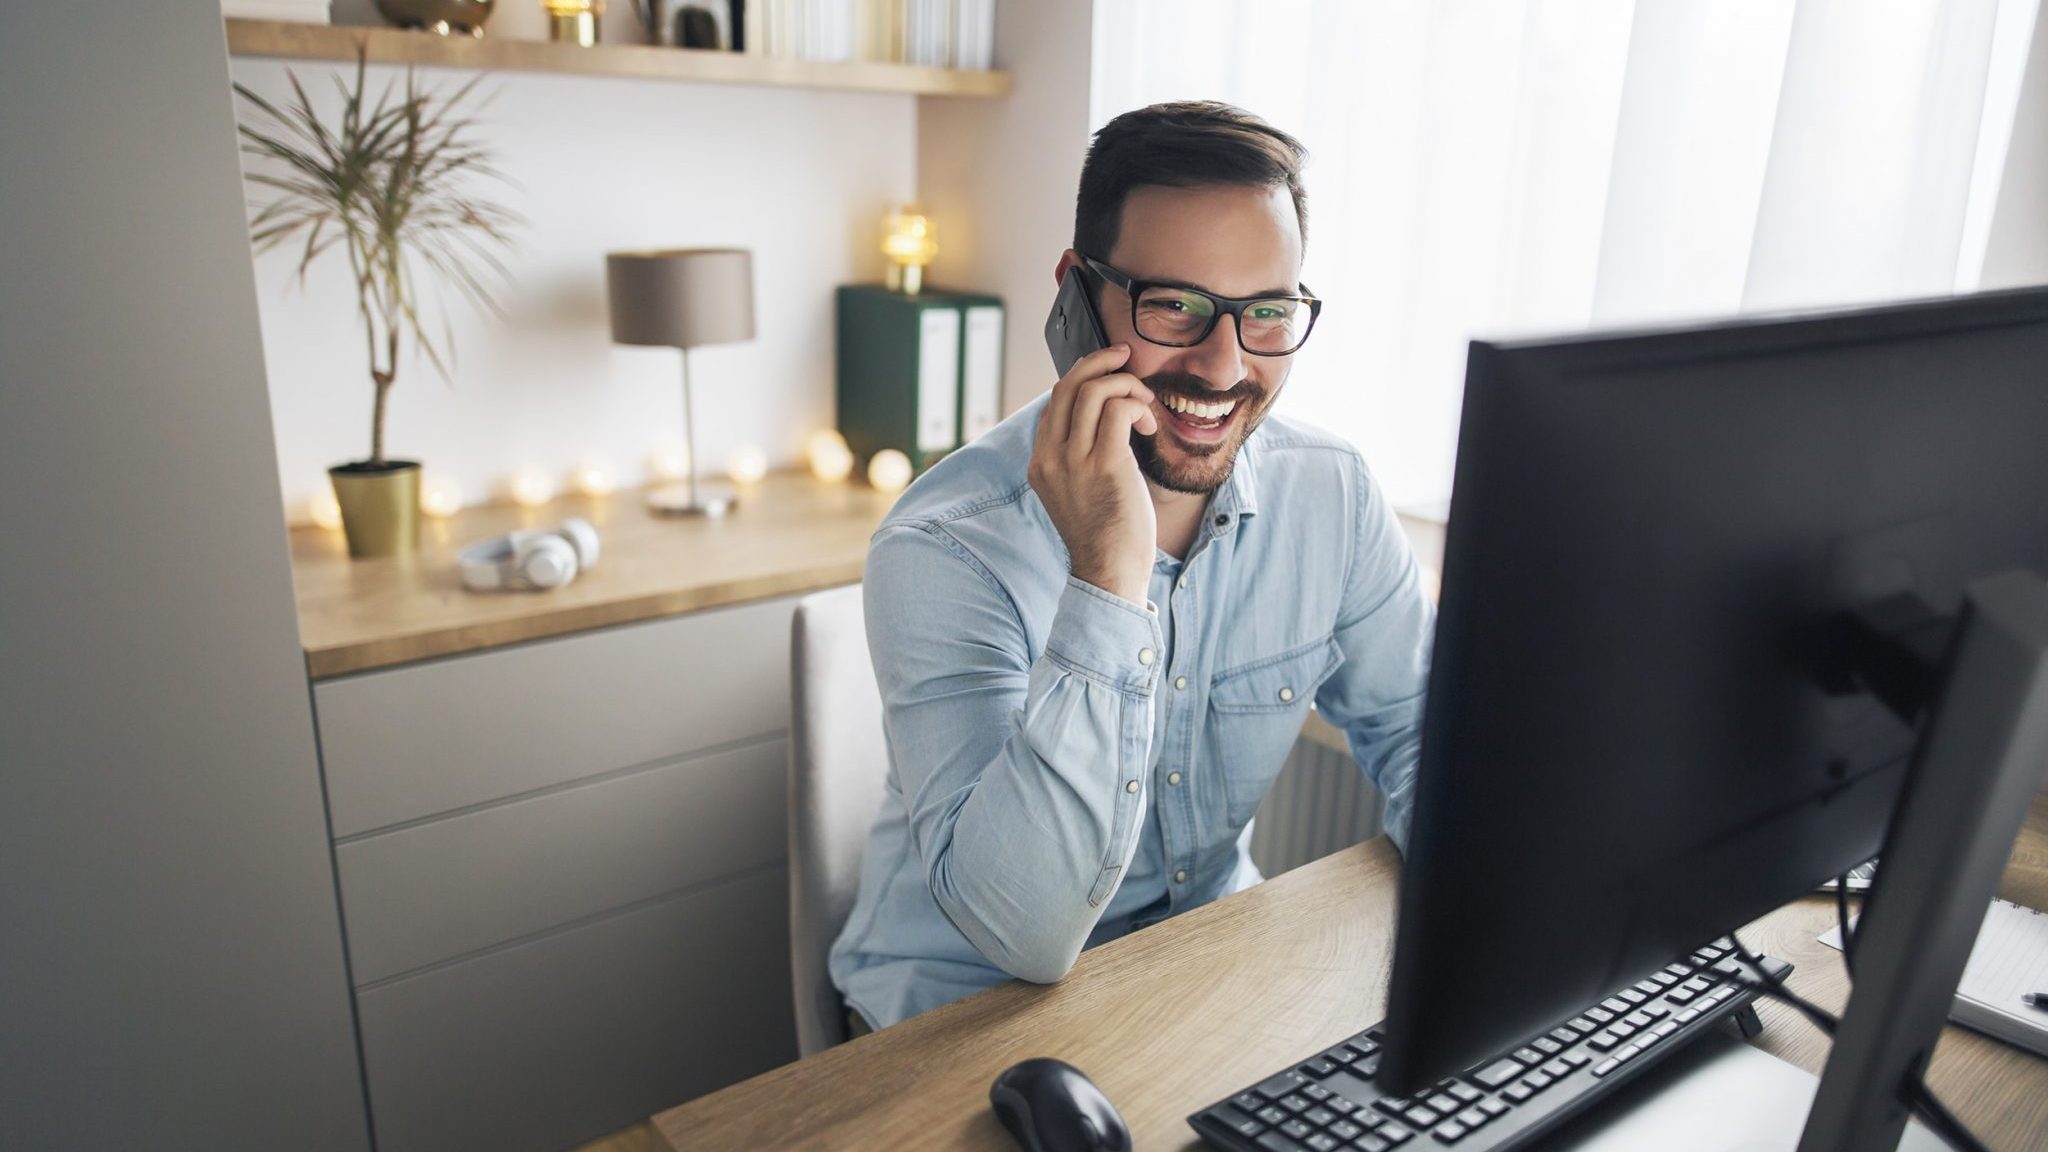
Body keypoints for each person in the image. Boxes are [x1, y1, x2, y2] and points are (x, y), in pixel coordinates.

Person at [828, 101, 1435, 1035]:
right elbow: (1024, 937)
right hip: (956, 1014)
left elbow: (1423, 730)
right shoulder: (945, 544)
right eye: (1177, 306)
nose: (1226, 365)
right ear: (1076, 295)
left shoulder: (1335, 496)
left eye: (1266, 312)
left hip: (1202, 973)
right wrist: (1108, 574)